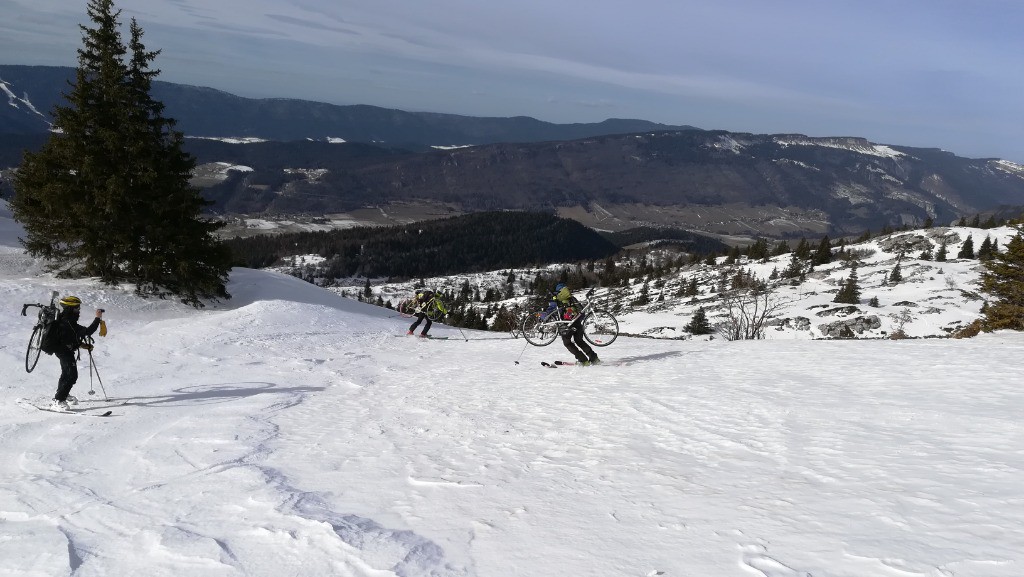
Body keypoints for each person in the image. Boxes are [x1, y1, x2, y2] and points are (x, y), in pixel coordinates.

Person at [50, 296, 103, 411]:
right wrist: (98, 318)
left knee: (66, 373)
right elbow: (88, 331)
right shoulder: (68, 321)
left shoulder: (65, 319)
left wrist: (83, 345)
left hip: (64, 350)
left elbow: (69, 337)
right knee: (72, 375)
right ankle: (58, 400)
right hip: (64, 351)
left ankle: (63, 394)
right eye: (76, 308)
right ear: (70, 308)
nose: (78, 311)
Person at [546, 283, 600, 366]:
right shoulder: (572, 298)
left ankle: (583, 360)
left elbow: (550, 314)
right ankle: (594, 358)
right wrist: (577, 321)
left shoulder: (556, 299)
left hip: (566, 325)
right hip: (577, 322)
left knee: (567, 343)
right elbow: (581, 310)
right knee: (579, 341)